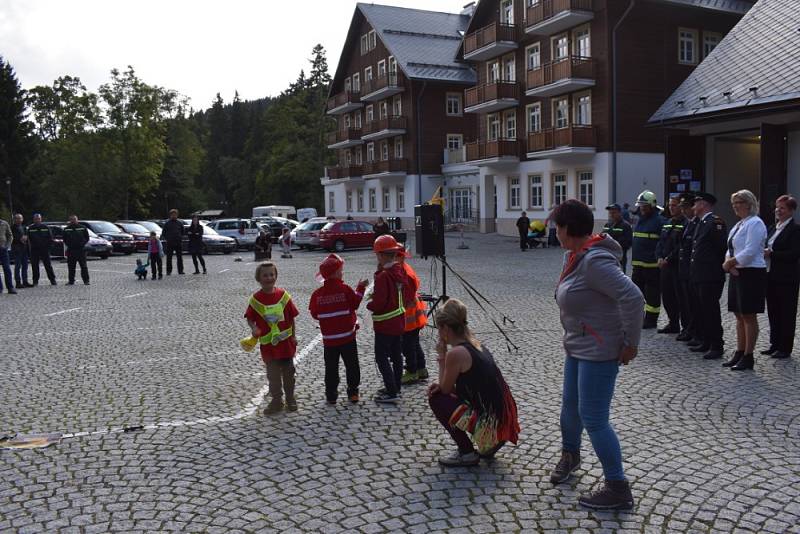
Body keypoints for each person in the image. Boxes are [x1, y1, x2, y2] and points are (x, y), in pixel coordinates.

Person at [549, 199, 642, 511]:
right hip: (578, 345)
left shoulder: (594, 261)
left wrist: (630, 343)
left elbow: (633, 297)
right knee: (570, 407)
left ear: (568, 228)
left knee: (595, 419)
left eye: (557, 226)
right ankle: (570, 455)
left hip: (599, 350)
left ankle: (618, 487)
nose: (554, 231)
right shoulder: (574, 255)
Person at [427, 298, 519, 467]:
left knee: (437, 398)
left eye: (438, 328)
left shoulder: (456, 354)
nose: (438, 333)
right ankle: (491, 438)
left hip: (491, 422)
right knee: (440, 391)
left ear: (445, 328)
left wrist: (441, 356)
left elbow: (446, 390)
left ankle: (467, 452)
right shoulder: (476, 344)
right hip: (502, 417)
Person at [309, 254, 368, 404]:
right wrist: (361, 287)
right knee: (352, 365)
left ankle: (331, 395)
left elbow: (315, 314)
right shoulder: (345, 289)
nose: (342, 273)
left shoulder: (317, 294)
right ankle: (353, 392)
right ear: (336, 273)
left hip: (329, 340)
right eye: (341, 270)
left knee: (331, 368)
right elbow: (355, 303)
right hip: (347, 337)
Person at [244, 262, 300, 414]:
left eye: (271, 274)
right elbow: (249, 318)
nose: (269, 278)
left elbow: (291, 318)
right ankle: (277, 400)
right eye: (265, 275)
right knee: (273, 376)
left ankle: (290, 398)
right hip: (269, 347)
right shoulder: (255, 300)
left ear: (276, 276)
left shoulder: (284, 296)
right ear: (259, 278)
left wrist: (294, 336)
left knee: (289, 373)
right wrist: (254, 328)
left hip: (285, 345)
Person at [721, 190, 767, 371]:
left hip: (751, 273)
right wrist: (728, 263)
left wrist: (730, 263)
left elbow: (750, 250)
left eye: (739, 202)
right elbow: (730, 247)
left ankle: (748, 356)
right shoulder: (739, 224)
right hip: (737, 272)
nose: (735, 206)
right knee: (738, 314)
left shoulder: (755, 223)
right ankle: (739, 352)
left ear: (749, 203)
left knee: (748, 314)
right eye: (733, 203)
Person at [367, 234, 414, 404]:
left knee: (382, 357)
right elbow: (408, 295)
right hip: (399, 321)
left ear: (380, 255)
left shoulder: (383, 276)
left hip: (385, 324)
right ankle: (396, 386)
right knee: (396, 356)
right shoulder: (399, 271)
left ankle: (391, 391)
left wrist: (369, 305)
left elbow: (379, 303)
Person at [688, 193, 728, 359]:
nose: (693, 207)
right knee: (702, 309)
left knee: (711, 310)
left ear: (703, 204)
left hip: (710, 275)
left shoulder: (715, 222)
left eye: (695, 203)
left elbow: (720, 249)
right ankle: (706, 340)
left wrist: (715, 270)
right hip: (699, 274)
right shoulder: (701, 222)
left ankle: (716, 345)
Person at [763, 195, 800, 360]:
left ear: (791, 211)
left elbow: (794, 254)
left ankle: (785, 347)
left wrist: (772, 253)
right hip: (770, 276)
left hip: (787, 278)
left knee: (786, 313)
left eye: (782, 208)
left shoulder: (795, 230)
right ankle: (774, 344)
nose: (778, 211)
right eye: (777, 207)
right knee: (773, 311)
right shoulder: (772, 227)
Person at [631, 191, 664, 329]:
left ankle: (651, 320)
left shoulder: (660, 221)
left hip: (652, 265)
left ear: (652, 205)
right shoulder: (640, 219)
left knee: (652, 294)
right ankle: (639, 317)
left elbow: (663, 243)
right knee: (636, 292)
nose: (642, 208)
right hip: (638, 264)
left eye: (645, 206)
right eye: (641, 206)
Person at [655, 196, 686, 334]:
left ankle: (686, 327)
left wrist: (668, 258)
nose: (672, 208)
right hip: (665, 266)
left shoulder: (685, 223)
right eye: (670, 205)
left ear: (681, 207)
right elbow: (661, 242)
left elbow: (681, 246)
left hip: (677, 265)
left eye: (675, 205)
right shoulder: (668, 222)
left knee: (680, 296)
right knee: (667, 296)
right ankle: (672, 323)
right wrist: (659, 256)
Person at [400, 253, 429, 384]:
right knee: (414, 343)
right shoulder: (404, 268)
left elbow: (407, 297)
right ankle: (421, 368)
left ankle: (412, 371)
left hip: (409, 317)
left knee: (408, 346)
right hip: (414, 316)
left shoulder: (404, 272)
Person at [676, 194, 698, 342]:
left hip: (692, 271)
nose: (683, 211)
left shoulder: (697, 224)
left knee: (693, 305)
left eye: (685, 207)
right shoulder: (687, 223)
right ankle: (688, 329)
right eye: (682, 208)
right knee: (684, 303)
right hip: (683, 270)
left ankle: (695, 332)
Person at [27, 213, 56, 286]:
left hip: (45, 250)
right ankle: (35, 281)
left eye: (38, 218)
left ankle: (52, 280)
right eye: (36, 219)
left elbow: (50, 238)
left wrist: (49, 248)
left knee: (48, 265)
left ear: (41, 219)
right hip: (35, 250)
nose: (37, 220)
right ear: (33, 220)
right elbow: (28, 240)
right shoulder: (30, 228)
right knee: (35, 266)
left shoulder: (46, 227)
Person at [602, 204, 632, 273]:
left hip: (619, 259)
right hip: (606, 258)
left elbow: (628, 243)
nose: (611, 215)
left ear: (619, 213)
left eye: (614, 213)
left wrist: (611, 243)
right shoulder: (607, 225)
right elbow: (602, 237)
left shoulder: (625, 226)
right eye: (610, 213)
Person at [62, 215, 90, 286]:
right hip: (71, 250)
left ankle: (86, 281)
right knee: (71, 267)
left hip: (81, 250)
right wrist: (70, 245)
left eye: (74, 219)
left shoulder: (82, 228)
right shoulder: (66, 229)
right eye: (71, 220)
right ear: (69, 221)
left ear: (77, 220)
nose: (73, 221)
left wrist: (82, 244)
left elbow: (86, 238)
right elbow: (65, 239)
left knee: (83, 266)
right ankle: (71, 281)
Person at [11, 214, 31, 288]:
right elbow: (11, 238)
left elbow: (27, 236)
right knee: (17, 267)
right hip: (17, 249)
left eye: (20, 218)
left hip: (25, 249)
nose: (19, 220)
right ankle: (18, 283)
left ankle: (25, 281)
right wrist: (19, 239)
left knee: (25, 266)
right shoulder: (12, 228)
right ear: (14, 220)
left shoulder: (24, 227)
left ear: (22, 219)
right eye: (17, 218)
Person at [162, 209, 184, 275]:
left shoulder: (180, 223)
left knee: (179, 257)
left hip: (178, 242)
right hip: (170, 243)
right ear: (170, 215)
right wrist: (168, 238)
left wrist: (180, 237)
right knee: (169, 258)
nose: (174, 216)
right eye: (172, 214)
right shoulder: (167, 223)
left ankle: (180, 271)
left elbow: (182, 232)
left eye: (175, 214)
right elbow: (163, 233)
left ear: (177, 215)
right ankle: (168, 271)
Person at [0, 217, 16, 294]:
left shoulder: (4, 223)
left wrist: (7, 246)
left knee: (7, 269)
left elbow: (10, 235)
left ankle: (10, 287)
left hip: (3, 249)